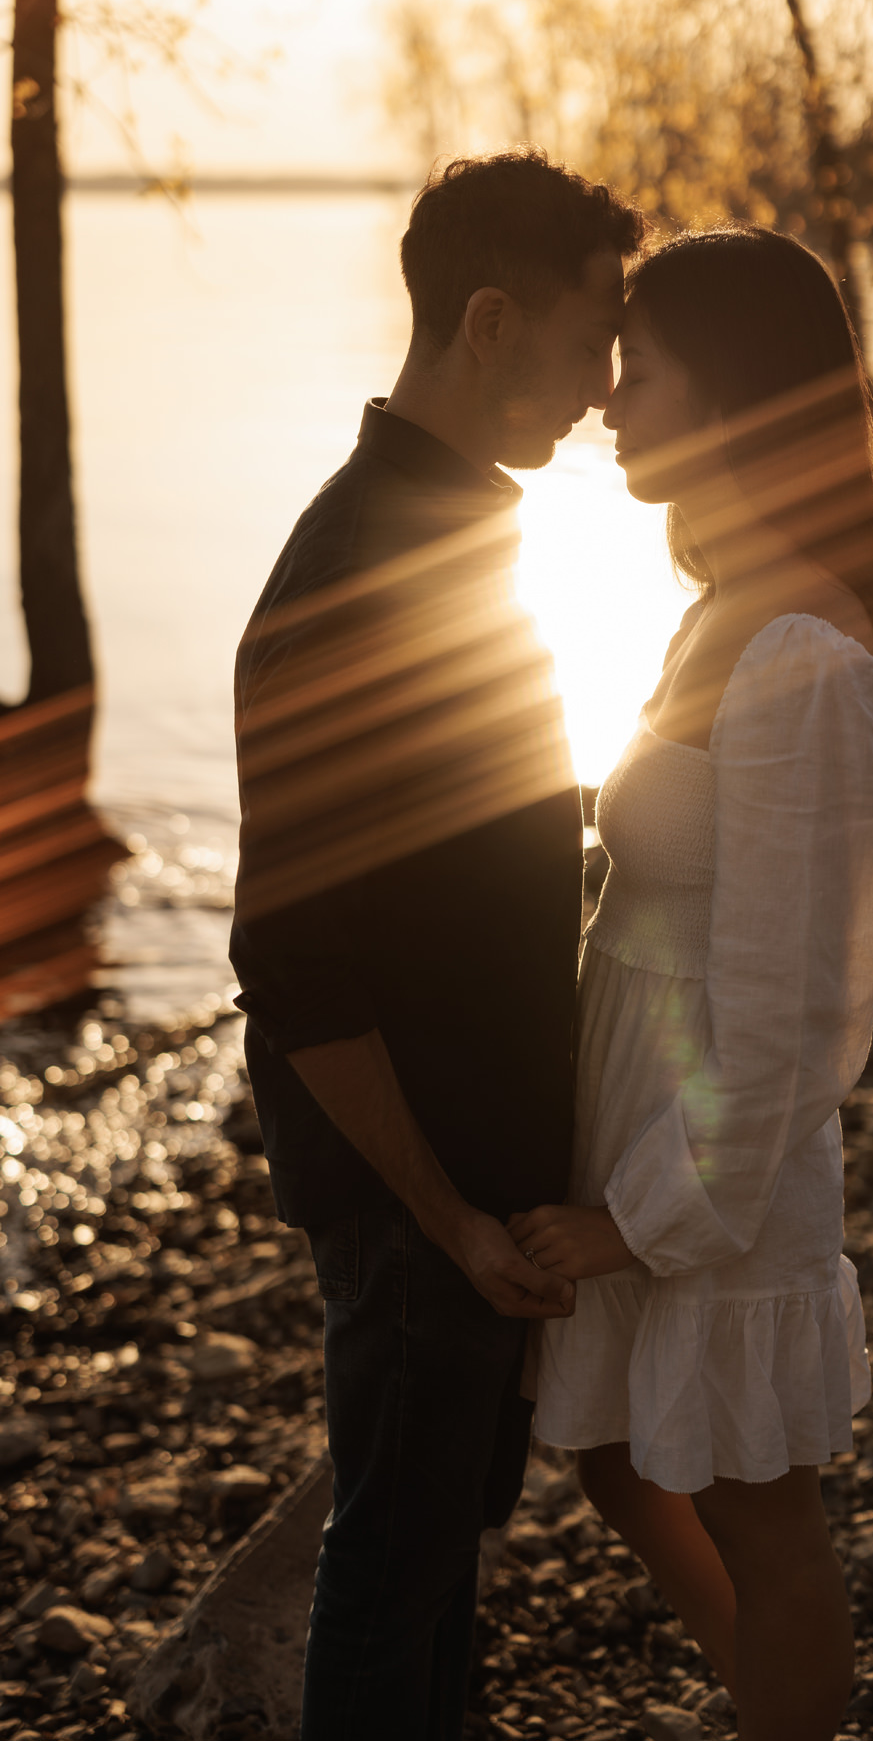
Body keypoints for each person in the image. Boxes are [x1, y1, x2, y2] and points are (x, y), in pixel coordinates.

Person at [229, 148, 644, 1740]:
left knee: (439, 1564)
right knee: (392, 1572)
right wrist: (449, 1219)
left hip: (479, 1194)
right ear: (489, 323)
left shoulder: (453, 537)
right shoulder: (359, 578)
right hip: (421, 1209)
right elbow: (297, 962)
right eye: (593, 339)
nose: (605, 390)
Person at [507, 226, 873, 1741]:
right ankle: (768, 1703)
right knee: (617, 1454)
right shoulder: (707, 612)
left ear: (732, 391)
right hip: (639, 1109)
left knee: (760, 1508)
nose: (609, 403)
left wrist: (645, 1218)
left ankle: (785, 1713)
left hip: (720, 1158)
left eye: (643, 370)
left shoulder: (800, 652)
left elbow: (804, 1009)